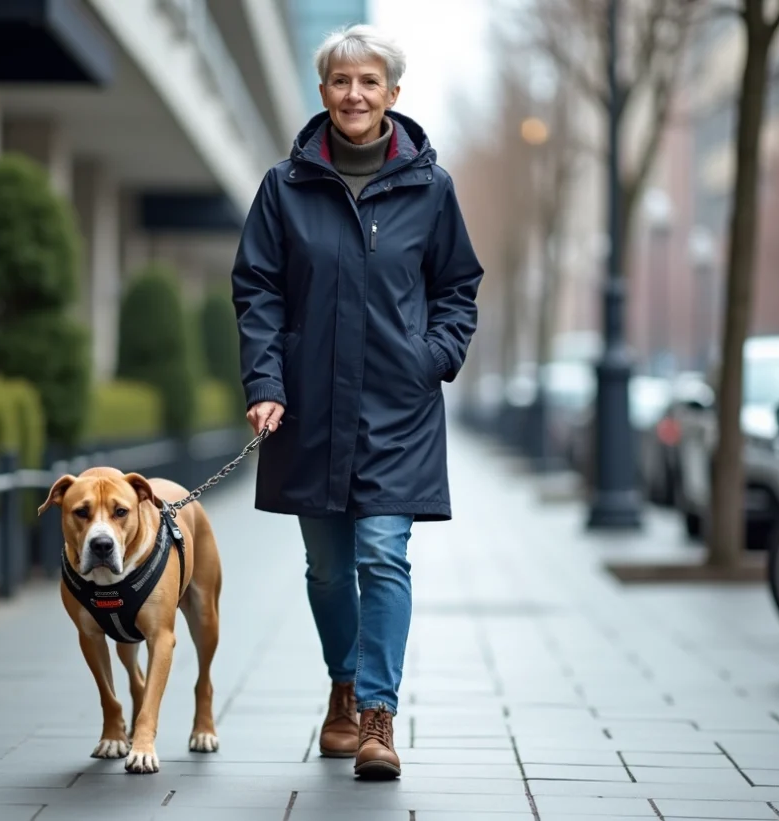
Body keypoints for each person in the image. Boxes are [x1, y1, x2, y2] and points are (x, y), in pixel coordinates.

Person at [230, 24, 485, 780]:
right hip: (309, 408)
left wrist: (432, 357)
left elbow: (458, 287)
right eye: (342, 82)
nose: (355, 95)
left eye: (369, 82)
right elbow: (258, 292)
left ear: (393, 95)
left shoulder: (430, 188)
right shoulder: (285, 186)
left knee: (382, 554)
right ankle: (342, 682)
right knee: (326, 569)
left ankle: (377, 713)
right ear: (323, 94)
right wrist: (267, 384)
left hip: (397, 410)